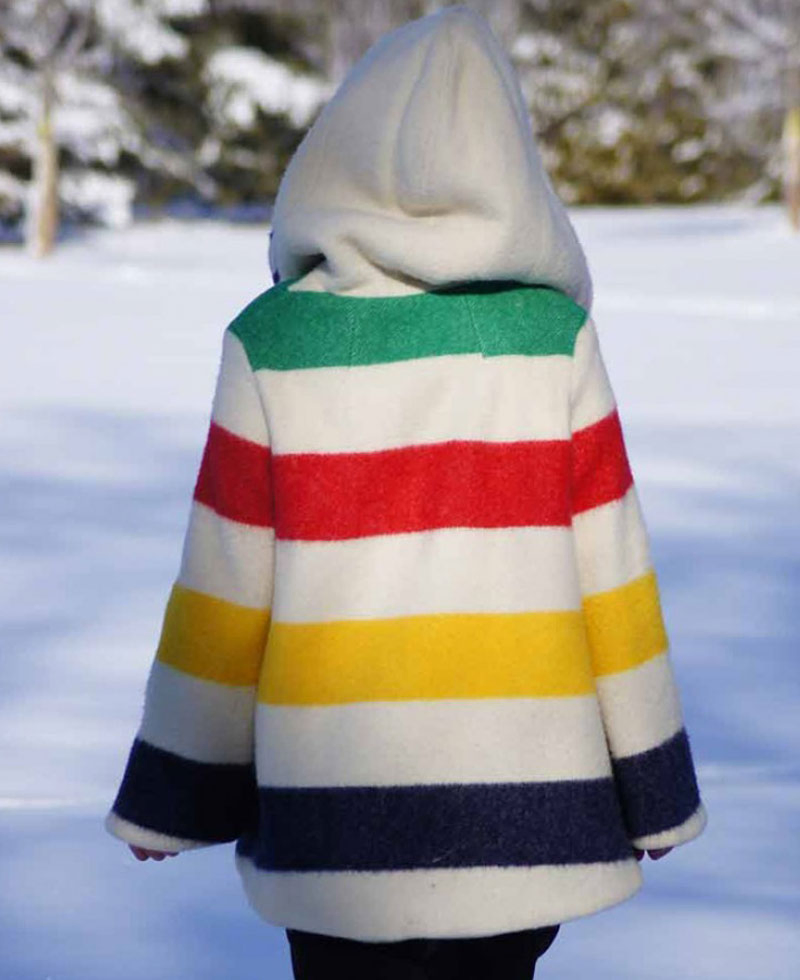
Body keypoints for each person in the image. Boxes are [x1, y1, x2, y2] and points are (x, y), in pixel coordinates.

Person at [104, 6, 707, 978]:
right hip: (525, 812)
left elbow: (223, 590)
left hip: (331, 814)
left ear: (335, 155)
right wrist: (655, 791)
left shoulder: (273, 339)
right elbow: (614, 583)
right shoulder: (550, 340)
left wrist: (171, 793)